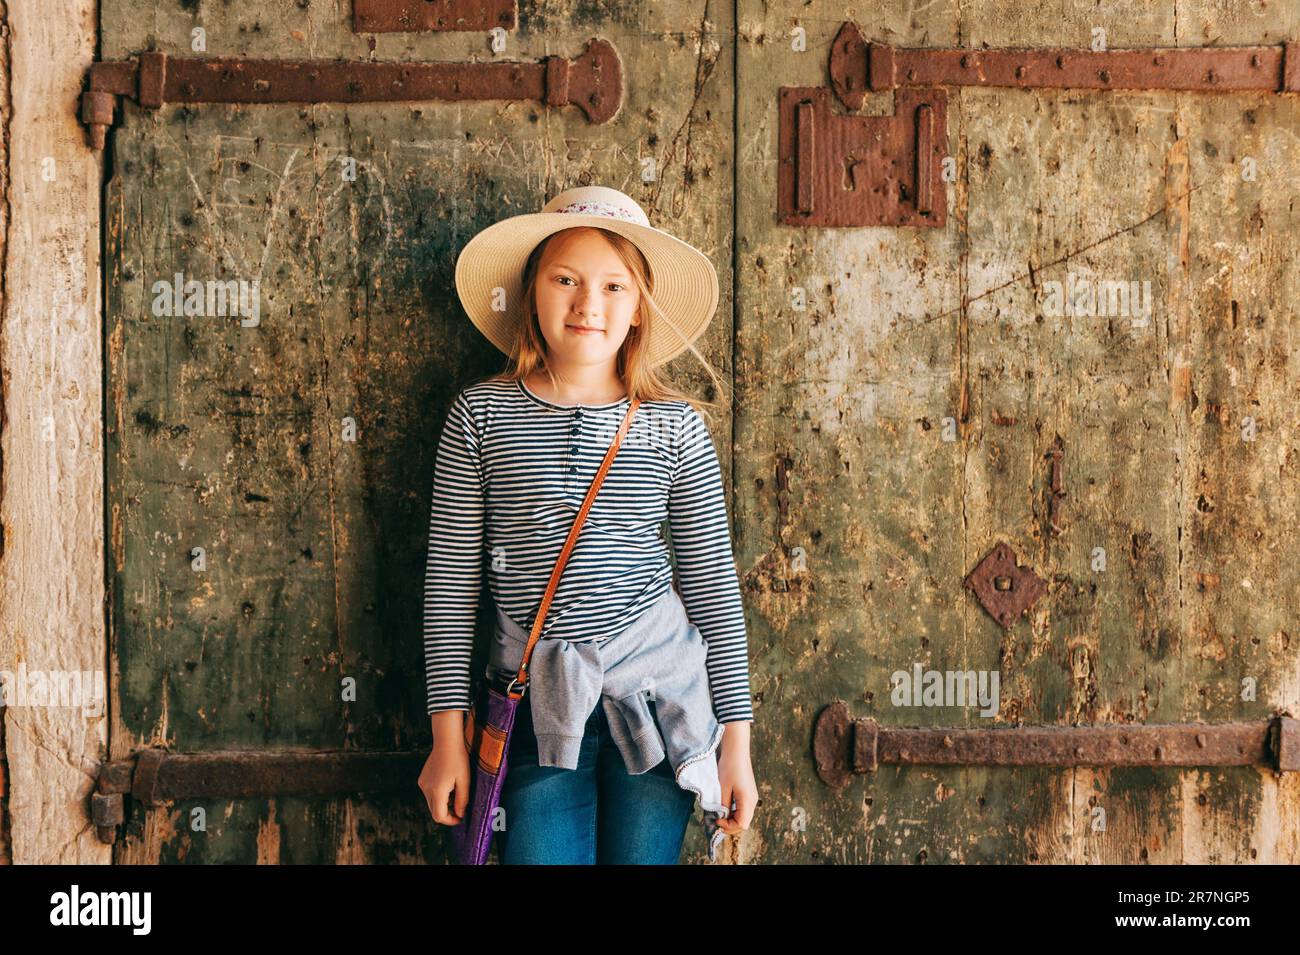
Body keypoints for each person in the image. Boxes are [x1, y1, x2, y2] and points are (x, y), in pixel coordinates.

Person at [418, 185, 757, 864]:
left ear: (638, 309)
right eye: (565, 279)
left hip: (662, 711)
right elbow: (451, 588)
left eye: (613, 286)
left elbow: (712, 587)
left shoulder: (675, 428)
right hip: (534, 710)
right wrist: (447, 737)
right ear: (530, 291)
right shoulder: (479, 418)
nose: (587, 304)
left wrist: (737, 746)